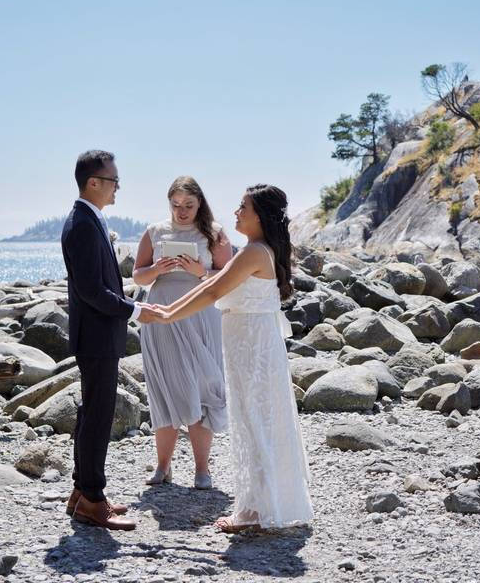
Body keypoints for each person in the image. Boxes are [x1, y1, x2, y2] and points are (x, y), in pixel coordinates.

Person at [152, 184, 313, 533]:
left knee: (254, 421)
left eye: (243, 207)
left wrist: (166, 315)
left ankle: (255, 513)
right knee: (258, 420)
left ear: (261, 216)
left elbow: (212, 291)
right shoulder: (260, 250)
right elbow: (212, 281)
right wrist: (167, 309)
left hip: (251, 348)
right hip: (253, 344)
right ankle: (262, 505)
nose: (236, 212)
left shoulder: (254, 251)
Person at [60, 150, 160, 531]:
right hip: (96, 335)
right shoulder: (82, 224)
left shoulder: (90, 219)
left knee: (92, 412)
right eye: (114, 180)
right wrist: (136, 310)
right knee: (98, 415)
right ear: (94, 183)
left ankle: (81, 492)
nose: (118, 187)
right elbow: (91, 290)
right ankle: (92, 499)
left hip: (99, 333)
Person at [133, 176, 233, 489]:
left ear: (200, 203)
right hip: (161, 310)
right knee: (164, 386)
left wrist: (199, 272)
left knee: (202, 385)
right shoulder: (155, 231)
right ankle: (163, 466)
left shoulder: (215, 233)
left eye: (188, 205)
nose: (182, 211)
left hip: (201, 313)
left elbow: (229, 277)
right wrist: (157, 270)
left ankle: (202, 470)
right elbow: (138, 276)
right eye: (176, 205)